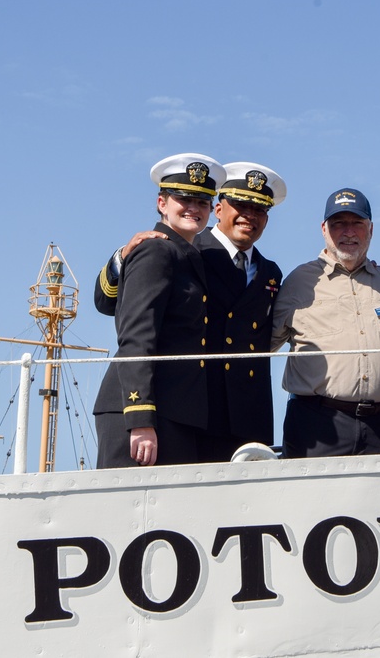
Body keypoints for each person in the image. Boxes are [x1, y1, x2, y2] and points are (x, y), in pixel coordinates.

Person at [95, 161, 285, 461]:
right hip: (184, 407)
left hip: (237, 417)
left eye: (259, 209)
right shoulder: (179, 249)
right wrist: (123, 257)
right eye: (240, 204)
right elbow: (121, 314)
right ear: (220, 209)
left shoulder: (271, 273)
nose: (249, 215)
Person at [94, 153, 224, 467]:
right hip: (143, 412)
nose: (194, 207)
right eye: (184, 198)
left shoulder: (187, 256)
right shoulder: (155, 249)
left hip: (173, 412)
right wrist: (140, 418)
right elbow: (137, 334)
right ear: (162, 203)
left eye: (203, 201)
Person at [271, 188, 380, 457]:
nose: (348, 232)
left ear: (371, 229)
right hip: (317, 426)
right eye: (338, 224)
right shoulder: (298, 283)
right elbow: (258, 345)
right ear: (324, 229)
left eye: (357, 223)